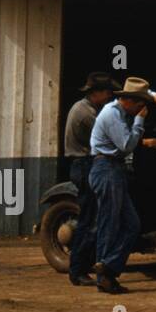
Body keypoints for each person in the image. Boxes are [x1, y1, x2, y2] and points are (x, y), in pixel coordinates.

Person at [89, 76, 156, 294]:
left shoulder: (121, 108)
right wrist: (140, 121)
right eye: (140, 105)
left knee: (132, 225)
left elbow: (141, 91)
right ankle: (104, 276)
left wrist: (155, 95)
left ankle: (108, 266)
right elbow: (126, 146)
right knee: (110, 224)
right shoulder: (113, 115)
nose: (142, 108)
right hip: (107, 169)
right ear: (131, 102)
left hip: (113, 169)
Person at [63, 72, 118, 286]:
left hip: (83, 165)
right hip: (85, 165)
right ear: (96, 93)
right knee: (90, 220)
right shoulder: (87, 114)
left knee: (90, 218)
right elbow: (108, 137)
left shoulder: (86, 108)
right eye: (106, 93)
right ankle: (77, 269)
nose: (109, 97)